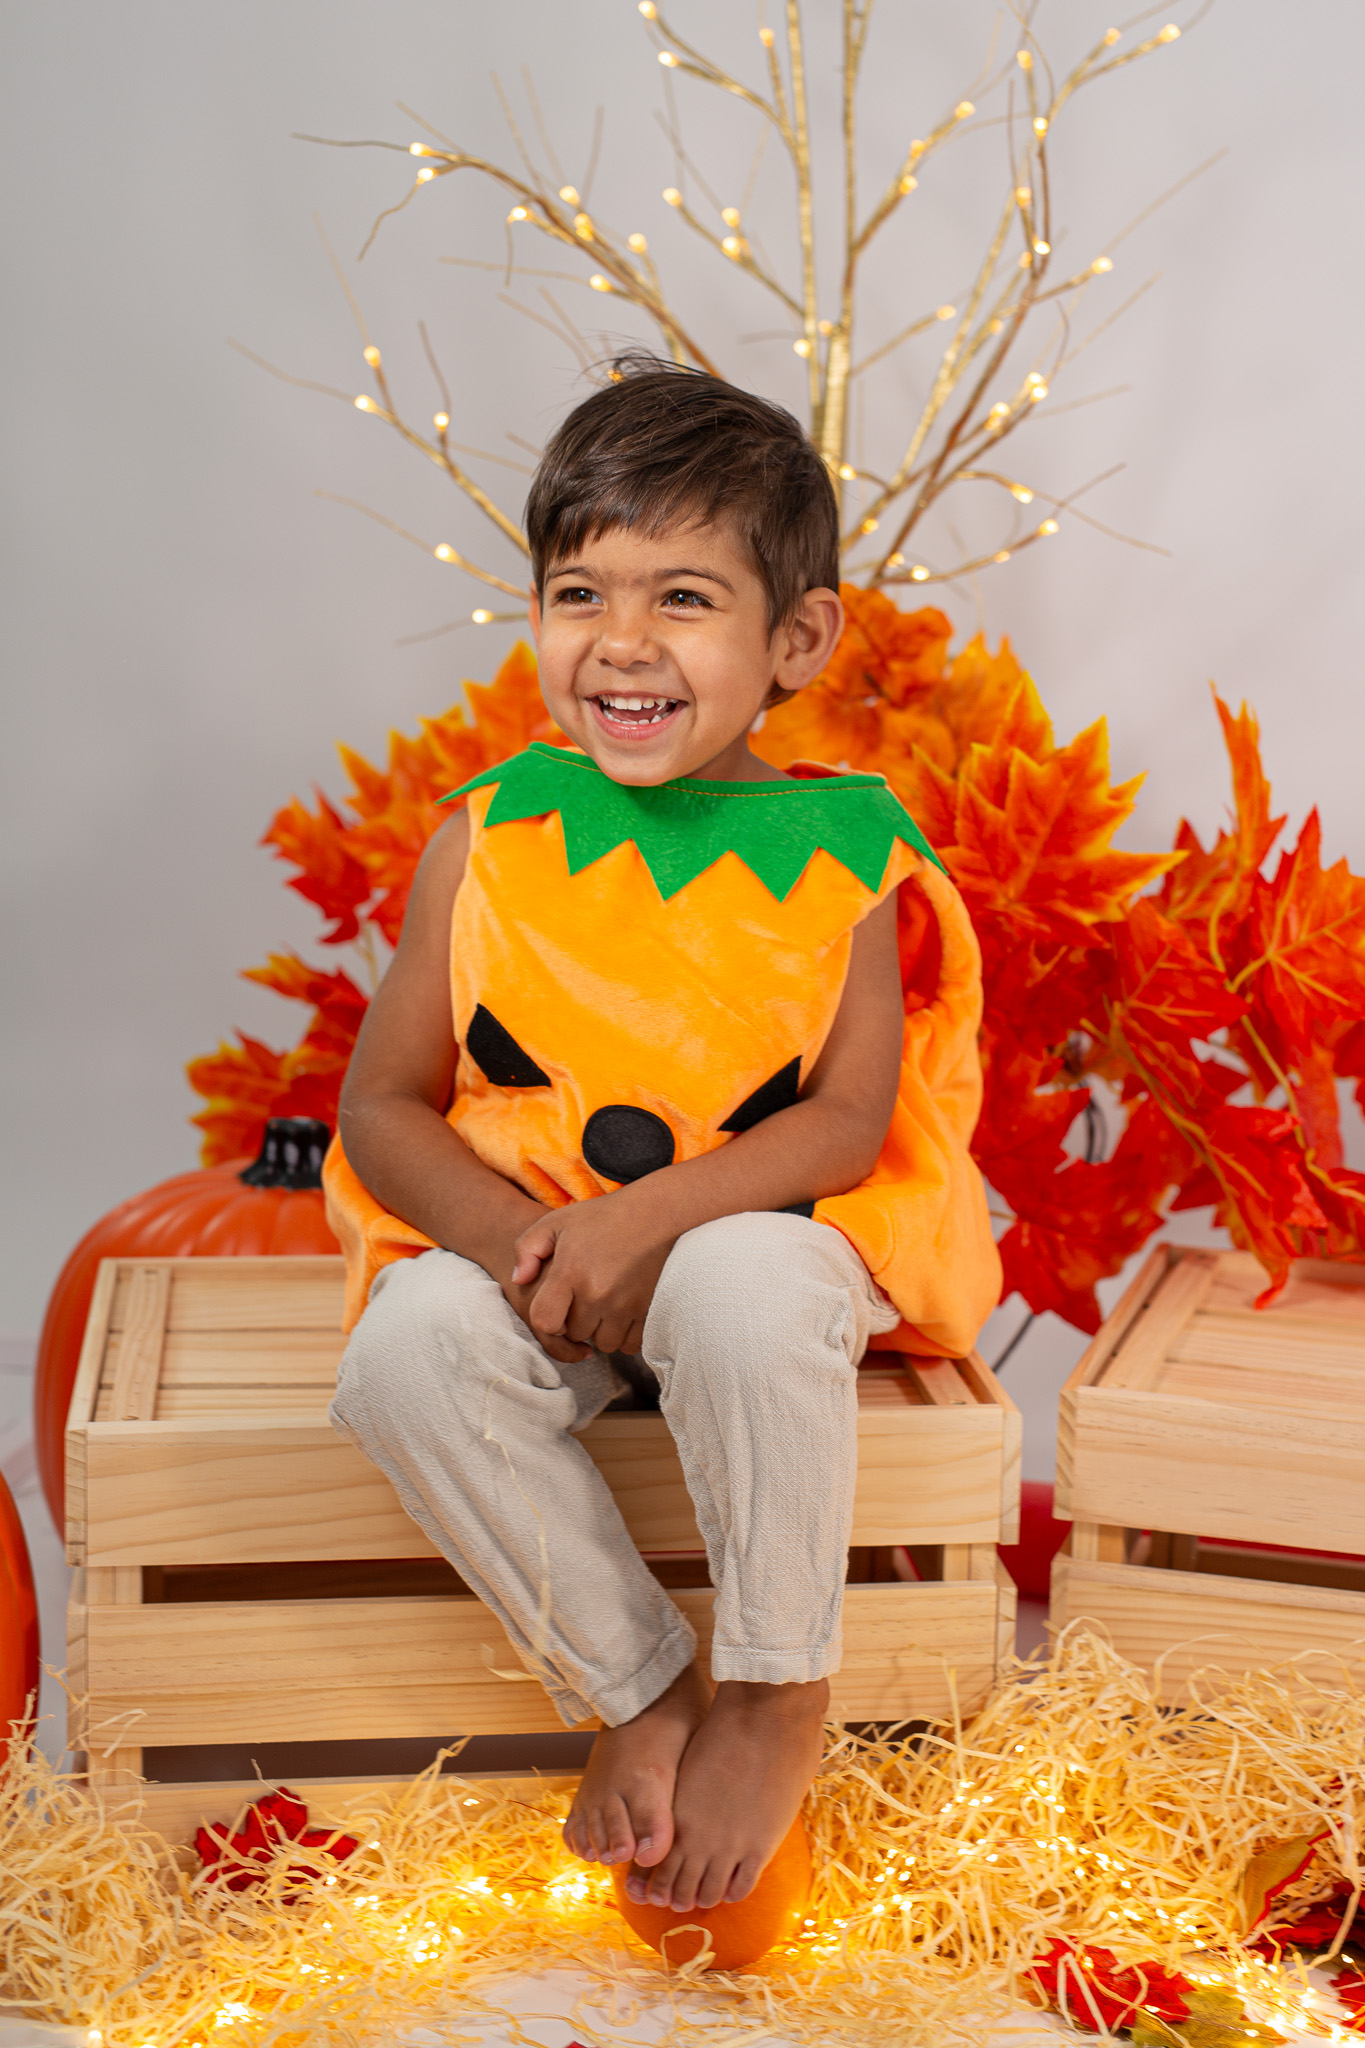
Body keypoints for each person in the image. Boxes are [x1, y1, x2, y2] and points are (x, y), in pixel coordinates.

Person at [323, 357, 1000, 1918]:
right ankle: (636, 1683)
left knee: (743, 1284)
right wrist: (528, 1248)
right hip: (542, 1259)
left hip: (753, 1254)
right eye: (579, 593)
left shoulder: (836, 855)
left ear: (796, 640)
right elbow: (382, 1104)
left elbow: (840, 1123)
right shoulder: (491, 835)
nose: (619, 642)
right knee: (403, 1353)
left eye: (681, 598)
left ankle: (772, 1684)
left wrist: (646, 1224)